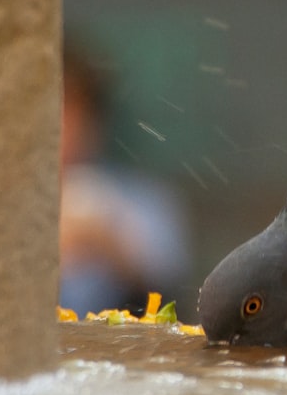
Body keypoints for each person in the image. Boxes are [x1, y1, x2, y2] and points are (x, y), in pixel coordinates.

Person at [59, 42, 190, 315]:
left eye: (71, 110)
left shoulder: (140, 199)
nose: (60, 126)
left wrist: (109, 244)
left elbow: (171, 286)